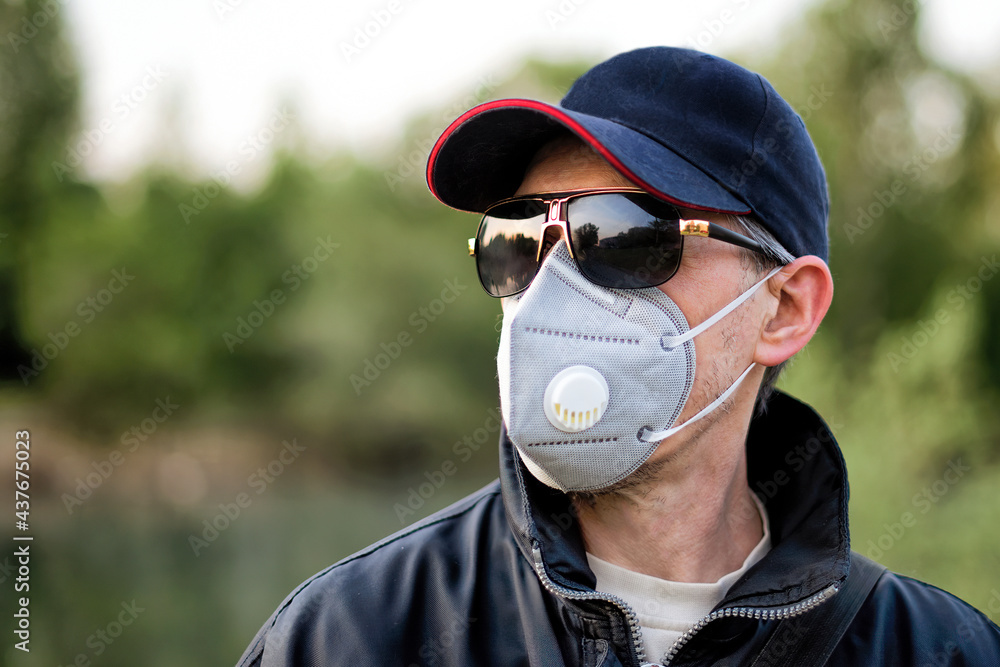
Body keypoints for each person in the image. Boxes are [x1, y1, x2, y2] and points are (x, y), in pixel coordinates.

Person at [237, 47, 1000, 666]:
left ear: (785, 308)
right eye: (518, 240)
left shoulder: (939, 649)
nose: (551, 290)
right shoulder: (351, 636)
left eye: (625, 234)